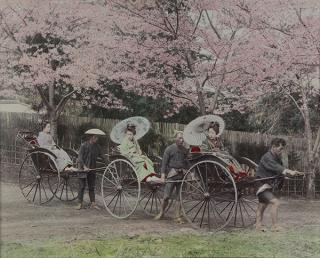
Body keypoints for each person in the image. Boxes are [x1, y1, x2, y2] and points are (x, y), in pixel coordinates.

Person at [255, 137, 303, 231]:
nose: (281, 151)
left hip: (268, 185)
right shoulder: (267, 157)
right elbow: (277, 168)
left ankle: (258, 225)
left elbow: (280, 171)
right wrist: (288, 171)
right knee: (275, 202)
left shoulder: (276, 158)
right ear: (273, 147)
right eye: (280, 149)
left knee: (262, 204)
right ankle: (275, 226)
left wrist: (293, 173)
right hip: (261, 185)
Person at [154, 131, 190, 223]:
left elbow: (187, 163)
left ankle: (177, 216)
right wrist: (162, 176)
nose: (181, 140)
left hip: (181, 175)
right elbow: (164, 164)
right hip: (171, 175)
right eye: (179, 138)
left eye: (182, 138)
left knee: (179, 197)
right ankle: (161, 212)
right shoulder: (169, 149)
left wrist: (188, 171)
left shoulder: (185, 150)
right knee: (166, 196)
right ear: (175, 139)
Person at [76, 131, 106, 210]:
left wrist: (109, 163)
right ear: (91, 137)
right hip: (82, 168)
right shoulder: (84, 145)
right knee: (82, 186)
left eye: (97, 137)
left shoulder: (97, 147)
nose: (97, 139)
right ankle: (80, 203)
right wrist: (85, 167)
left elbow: (103, 156)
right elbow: (80, 158)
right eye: (95, 137)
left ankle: (93, 203)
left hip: (92, 169)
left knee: (91, 187)